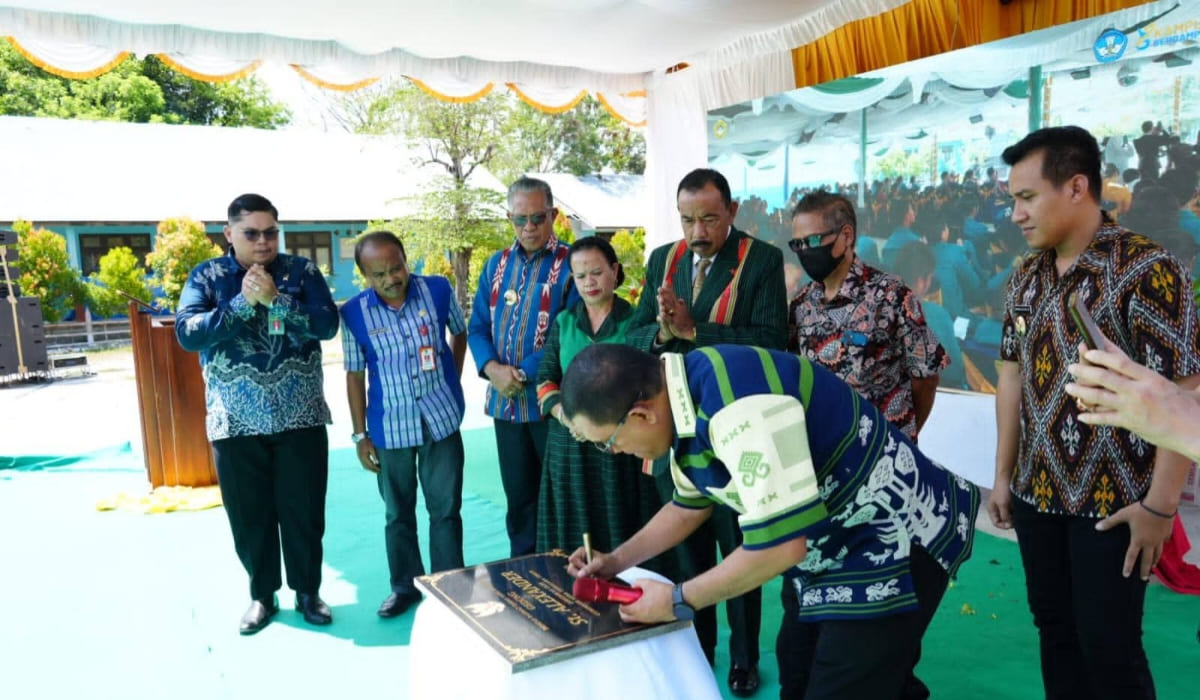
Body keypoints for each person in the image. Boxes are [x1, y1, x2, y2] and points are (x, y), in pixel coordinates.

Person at [561, 343, 979, 700]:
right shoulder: (680, 396)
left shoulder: (738, 409)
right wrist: (615, 561)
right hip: (827, 548)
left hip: (894, 538)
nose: (612, 452)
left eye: (607, 442)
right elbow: (689, 506)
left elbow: (781, 545)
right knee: (798, 674)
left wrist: (675, 600)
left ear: (640, 415)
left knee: (845, 683)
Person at [987, 126, 1200, 699]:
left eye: (1026, 197)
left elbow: (1184, 393)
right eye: (1012, 200)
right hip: (1037, 496)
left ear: (1077, 186)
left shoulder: (1147, 269)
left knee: (1110, 647)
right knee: (1055, 634)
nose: (1016, 215)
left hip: (1117, 505)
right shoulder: (1026, 276)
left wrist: (1159, 507)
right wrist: (1004, 475)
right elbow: (1010, 376)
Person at [625, 168, 788, 696]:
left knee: (739, 544)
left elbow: (771, 343)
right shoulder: (661, 261)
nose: (697, 231)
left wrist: (696, 332)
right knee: (685, 548)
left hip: (736, 431)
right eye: (688, 219)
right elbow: (635, 334)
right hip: (672, 429)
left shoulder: (760, 261)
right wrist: (662, 331)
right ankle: (698, 648)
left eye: (709, 219)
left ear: (733, 212)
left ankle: (743, 659)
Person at [784, 191, 948, 700]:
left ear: (846, 236)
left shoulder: (891, 296)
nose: (804, 250)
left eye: (813, 240)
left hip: (887, 485)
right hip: (824, 481)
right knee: (802, 624)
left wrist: (898, 434)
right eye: (797, 242)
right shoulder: (802, 307)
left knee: (887, 616)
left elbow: (924, 377)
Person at [176, 193, 339, 634]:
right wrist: (242, 304)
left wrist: (276, 302)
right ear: (229, 234)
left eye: (271, 232)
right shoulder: (207, 276)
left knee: (304, 512)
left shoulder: (302, 272)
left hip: (300, 416)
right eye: (252, 233)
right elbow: (188, 333)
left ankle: (308, 593)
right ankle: (261, 596)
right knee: (250, 517)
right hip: (235, 421)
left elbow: (327, 324)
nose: (264, 242)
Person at [339, 231, 467, 618]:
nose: (391, 279)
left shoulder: (439, 290)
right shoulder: (353, 314)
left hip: (440, 420)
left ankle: (450, 585)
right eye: (378, 274)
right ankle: (405, 587)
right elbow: (353, 375)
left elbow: (459, 333)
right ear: (364, 275)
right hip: (389, 427)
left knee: (445, 509)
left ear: (406, 260)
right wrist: (361, 435)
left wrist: (452, 378)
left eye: (396, 268)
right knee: (398, 513)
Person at [467, 177, 577, 557]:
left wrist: (524, 373)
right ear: (509, 217)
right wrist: (491, 368)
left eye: (538, 218)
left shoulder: (572, 264)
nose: (529, 227)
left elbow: (568, 331)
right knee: (519, 499)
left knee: (558, 496)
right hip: (505, 405)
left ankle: (562, 577)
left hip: (552, 406)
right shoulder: (495, 265)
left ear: (553, 215)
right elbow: (477, 325)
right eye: (520, 219)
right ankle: (524, 574)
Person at [534, 236, 662, 562]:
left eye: (597, 272)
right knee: (569, 533)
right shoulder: (563, 322)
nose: (589, 282)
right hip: (569, 446)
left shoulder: (635, 321)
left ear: (614, 271)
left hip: (620, 446)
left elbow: (649, 382)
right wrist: (568, 418)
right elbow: (545, 380)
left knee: (620, 526)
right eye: (580, 276)